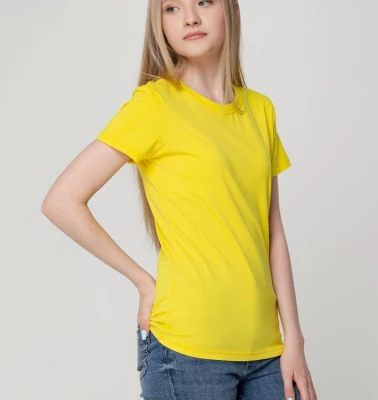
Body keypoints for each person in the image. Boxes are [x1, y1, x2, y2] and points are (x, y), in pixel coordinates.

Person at [41, 0, 318, 399]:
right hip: (185, 352)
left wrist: (294, 339)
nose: (190, 17)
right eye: (172, 8)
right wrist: (143, 282)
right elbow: (61, 201)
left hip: (267, 351)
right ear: (160, 24)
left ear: (229, 9)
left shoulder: (261, 110)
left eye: (203, 1)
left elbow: (273, 232)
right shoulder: (155, 104)